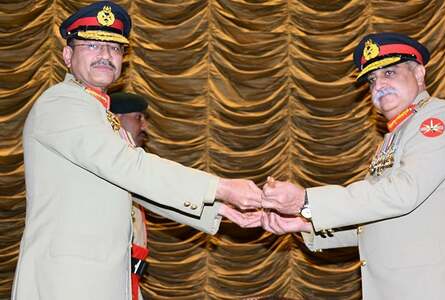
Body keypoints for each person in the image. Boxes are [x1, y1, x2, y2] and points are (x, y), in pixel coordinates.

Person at [12, 2, 262, 299]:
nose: (105, 55)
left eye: (115, 49)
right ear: (68, 55)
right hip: (68, 282)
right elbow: (131, 167)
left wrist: (220, 209)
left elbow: (131, 186)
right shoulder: (62, 103)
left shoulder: (100, 113)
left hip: (106, 277)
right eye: (92, 45)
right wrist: (220, 187)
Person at [256, 33, 445, 299]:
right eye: (372, 79)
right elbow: (376, 222)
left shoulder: (438, 119)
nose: (379, 85)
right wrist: (303, 223)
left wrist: (306, 200)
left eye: (389, 73)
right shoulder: (393, 137)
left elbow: (402, 193)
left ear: (420, 74)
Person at [109, 92, 149, 300]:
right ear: (115, 119)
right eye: (138, 118)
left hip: (127, 283)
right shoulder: (103, 169)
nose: (144, 127)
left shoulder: (131, 169)